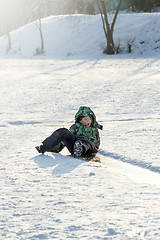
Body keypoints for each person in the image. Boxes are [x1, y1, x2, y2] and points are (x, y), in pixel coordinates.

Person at [35, 106, 103, 158]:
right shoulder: (75, 127)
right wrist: (56, 149)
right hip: (74, 146)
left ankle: (80, 148)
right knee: (63, 131)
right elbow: (65, 139)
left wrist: (95, 148)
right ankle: (43, 148)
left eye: (90, 119)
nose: (88, 121)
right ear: (80, 120)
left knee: (85, 143)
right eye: (85, 119)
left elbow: (97, 141)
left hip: (88, 146)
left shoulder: (94, 129)